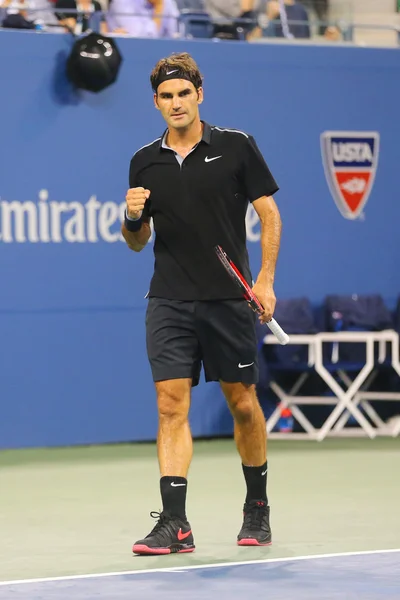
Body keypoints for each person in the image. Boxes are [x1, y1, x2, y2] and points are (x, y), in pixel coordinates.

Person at [121, 52, 282, 555]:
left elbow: (269, 216)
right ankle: (175, 523)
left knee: (242, 403)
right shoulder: (144, 160)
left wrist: (266, 280)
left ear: (199, 94)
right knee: (170, 405)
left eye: (183, 94)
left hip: (228, 300)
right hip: (169, 299)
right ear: (156, 102)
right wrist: (130, 220)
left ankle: (257, 506)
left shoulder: (236, 147)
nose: (175, 103)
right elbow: (137, 240)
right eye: (166, 97)